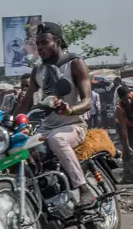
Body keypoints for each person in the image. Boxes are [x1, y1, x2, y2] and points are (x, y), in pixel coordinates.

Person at [14, 22, 95, 209]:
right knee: (20, 148)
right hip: (47, 126)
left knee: (57, 139)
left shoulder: (74, 63)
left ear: (57, 42)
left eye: (44, 42)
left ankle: (84, 190)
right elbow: (25, 104)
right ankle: (42, 195)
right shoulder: (38, 71)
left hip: (73, 124)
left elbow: (87, 101)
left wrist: (70, 109)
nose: (40, 48)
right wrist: (5, 120)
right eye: (38, 44)